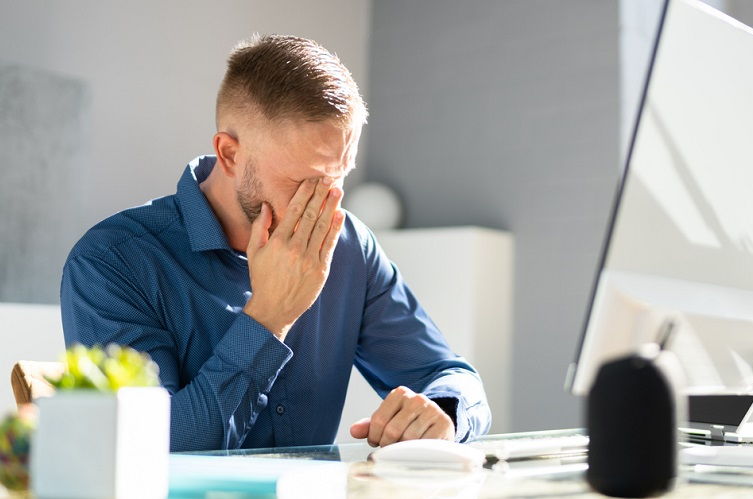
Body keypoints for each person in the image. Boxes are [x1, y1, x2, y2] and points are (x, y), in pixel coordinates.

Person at [60, 34, 491, 452]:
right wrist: (268, 318)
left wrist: (442, 413)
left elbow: (450, 375)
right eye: (304, 182)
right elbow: (152, 451)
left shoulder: (349, 246)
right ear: (229, 154)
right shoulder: (112, 262)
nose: (327, 201)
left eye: (339, 175)